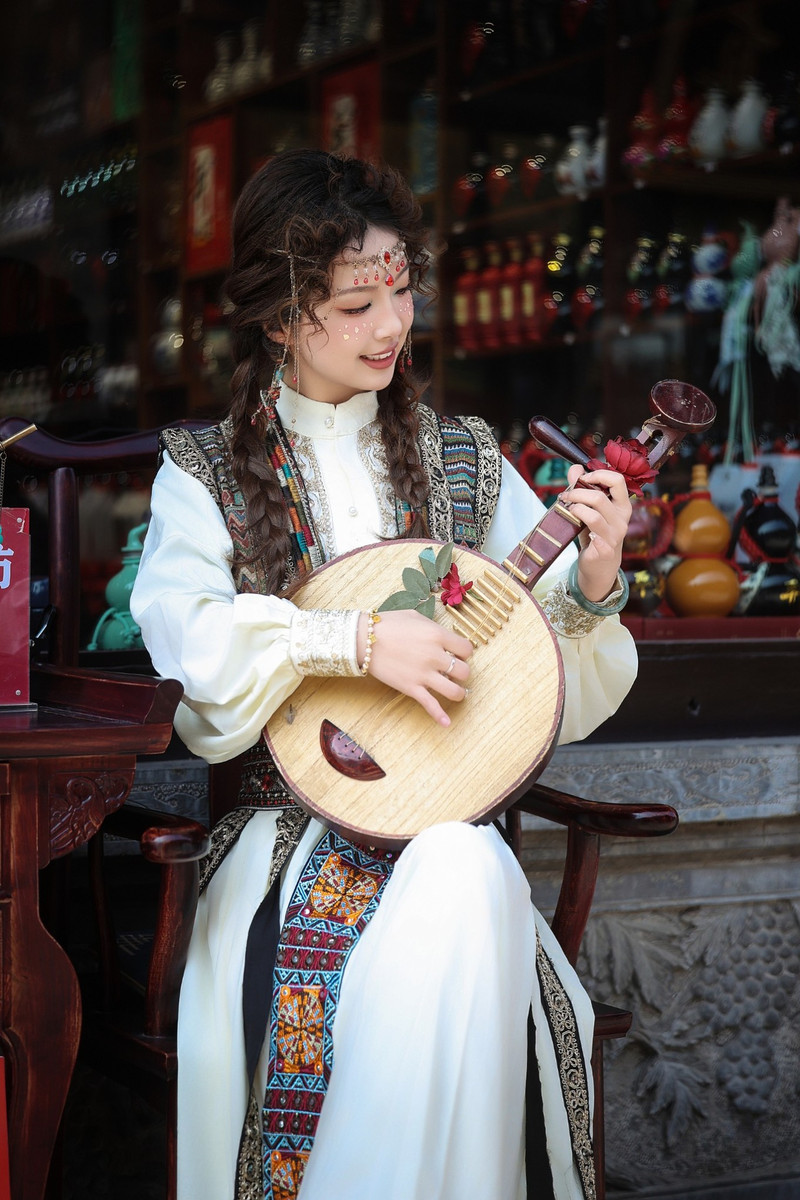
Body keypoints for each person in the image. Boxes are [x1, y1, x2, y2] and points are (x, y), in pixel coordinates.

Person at [130, 148, 638, 1200]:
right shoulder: (203, 471)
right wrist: (354, 642)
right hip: (285, 838)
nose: (393, 325)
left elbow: (550, 683)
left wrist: (593, 580)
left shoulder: (467, 458)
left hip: (449, 822)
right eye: (357, 303)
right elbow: (193, 649)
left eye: (401, 291)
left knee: (461, 864)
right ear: (281, 318)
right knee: (473, 880)